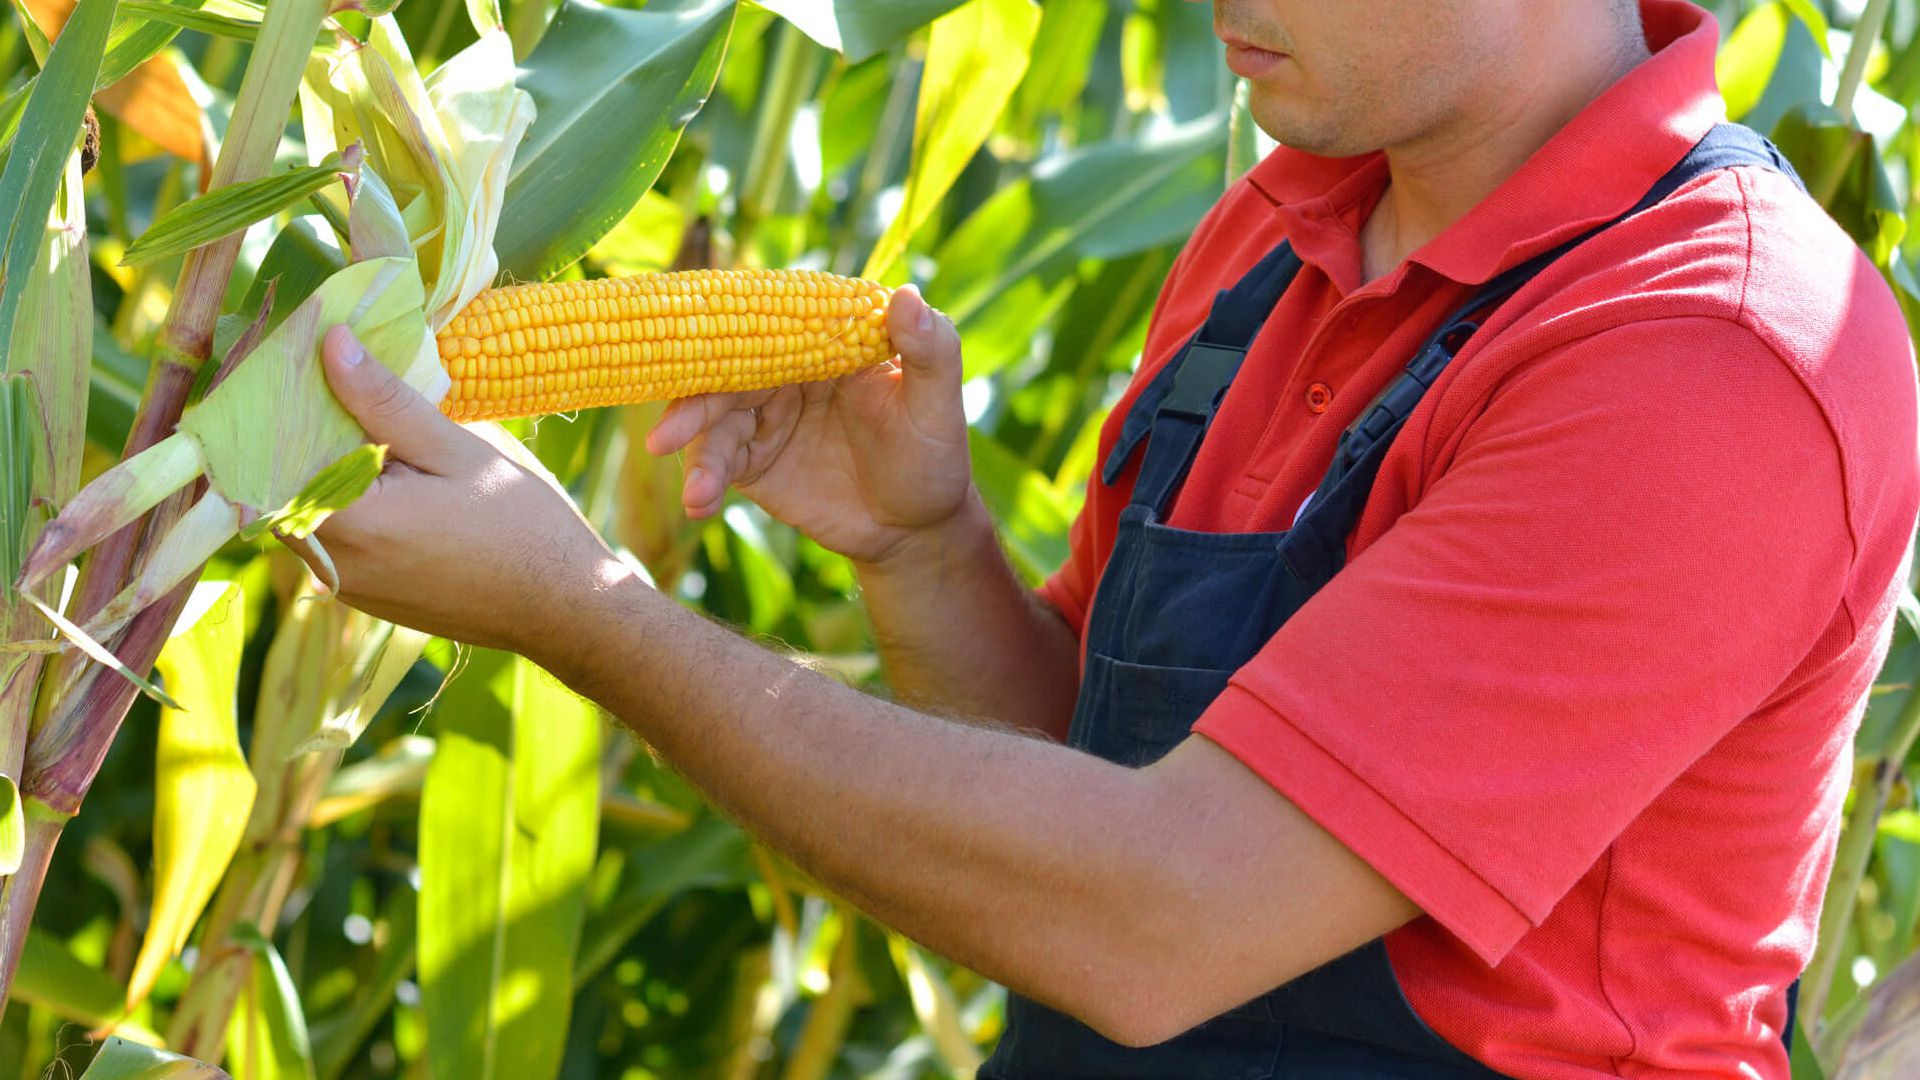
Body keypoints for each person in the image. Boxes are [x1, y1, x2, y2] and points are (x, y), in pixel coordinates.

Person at [302, 0, 1920, 1075]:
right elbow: (1089, 777)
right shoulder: (1272, 238)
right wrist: (924, 547)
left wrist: (587, 609)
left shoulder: (1712, 360)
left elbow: (1161, 919)